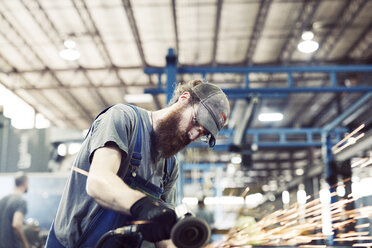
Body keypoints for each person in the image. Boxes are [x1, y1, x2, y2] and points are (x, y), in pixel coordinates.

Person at [45, 79, 230, 248]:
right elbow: (98, 182)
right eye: (195, 122)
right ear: (184, 99)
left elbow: (163, 236)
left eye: (202, 134)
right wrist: (142, 205)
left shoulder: (170, 166)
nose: (193, 135)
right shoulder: (123, 119)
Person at [0, 171, 30, 248]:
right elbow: (16, 224)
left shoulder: (3, 200)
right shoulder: (21, 202)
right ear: (25, 183)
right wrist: (26, 245)